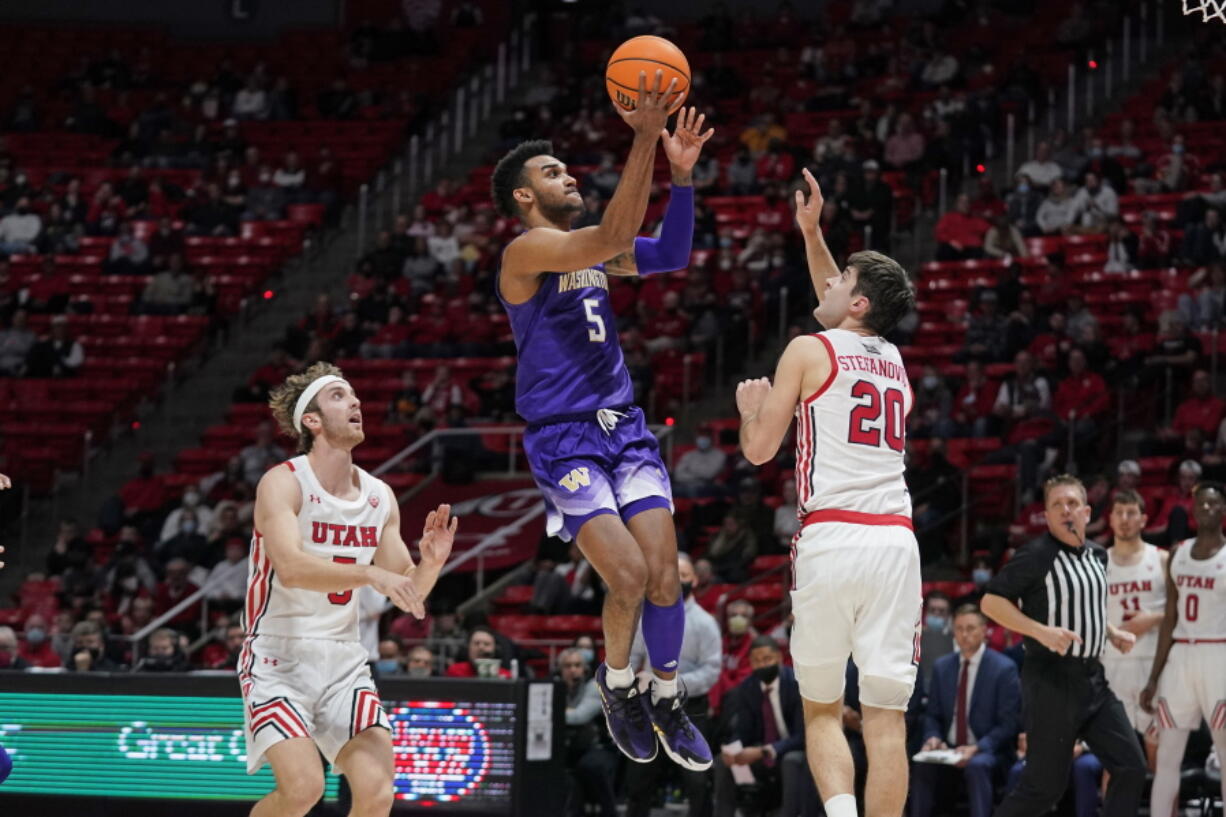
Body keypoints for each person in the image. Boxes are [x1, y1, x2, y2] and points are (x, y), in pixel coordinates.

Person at [490, 77, 715, 771]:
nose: (568, 175)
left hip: (626, 427)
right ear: (525, 197)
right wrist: (645, 134)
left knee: (664, 578)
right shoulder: (526, 252)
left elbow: (669, 254)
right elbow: (617, 232)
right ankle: (618, 686)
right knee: (623, 578)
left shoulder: (594, 253)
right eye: (551, 171)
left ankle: (668, 695)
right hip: (564, 437)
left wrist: (681, 181)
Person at [735, 167, 918, 817]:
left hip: (832, 536)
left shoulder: (806, 350)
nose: (831, 281)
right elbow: (844, 304)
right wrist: (812, 233)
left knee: (818, 707)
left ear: (859, 302)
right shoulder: (893, 359)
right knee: (886, 718)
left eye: (843, 280)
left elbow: (759, 451)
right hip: (895, 543)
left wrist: (747, 412)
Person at [240, 362, 457, 817]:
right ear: (311, 420)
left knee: (378, 793)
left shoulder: (379, 496)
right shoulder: (283, 481)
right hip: (278, 657)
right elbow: (293, 569)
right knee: (303, 790)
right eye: (339, 396)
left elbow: (408, 591)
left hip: (343, 658)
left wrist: (431, 563)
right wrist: (369, 574)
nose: (355, 402)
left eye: (355, 395)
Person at [980, 474, 1147, 817]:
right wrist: (1039, 631)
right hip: (1050, 682)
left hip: (1093, 681)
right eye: (1057, 505)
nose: (1065, 510)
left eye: (1072, 503)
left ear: (1086, 512)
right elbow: (991, 603)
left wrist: (1111, 632)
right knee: (1043, 789)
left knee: (1131, 766)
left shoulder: (1099, 555)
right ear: (1047, 514)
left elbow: (1087, 603)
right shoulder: (1036, 555)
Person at [1140, 481, 1226, 817]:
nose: (1207, 509)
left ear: (1223, 510)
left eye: (1214, 504)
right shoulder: (1177, 553)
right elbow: (1169, 620)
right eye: (1201, 503)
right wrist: (1153, 678)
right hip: (1179, 658)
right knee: (1167, 757)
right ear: (1192, 508)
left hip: (1218, 656)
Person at [624, 552, 722, 817]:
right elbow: (631, 657)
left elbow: (711, 671)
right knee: (639, 777)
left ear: (696, 580)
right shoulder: (645, 616)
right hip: (648, 703)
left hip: (689, 706)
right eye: (673, 574)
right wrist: (636, 680)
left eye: (684, 575)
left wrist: (671, 683)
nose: (678, 580)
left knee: (696, 780)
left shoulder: (705, 623)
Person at [911, 605, 1021, 817]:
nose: (964, 634)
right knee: (922, 764)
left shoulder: (1003, 668)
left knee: (976, 766)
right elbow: (933, 715)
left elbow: (1008, 724)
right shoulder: (942, 667)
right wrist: (933, 737)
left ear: (983, 630)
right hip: (949, 749)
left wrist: (977, 747)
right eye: (959, 628)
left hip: (989, 751)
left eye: (970, 628)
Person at [714, 636, 816, 817]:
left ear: (778, 657)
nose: (762, 665)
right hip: (761, 752)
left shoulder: (796, 684)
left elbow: (802, 737)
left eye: (767, 659)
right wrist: (733, 748)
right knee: (723, 763)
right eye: (756, 661)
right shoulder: (748, 687)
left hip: (794, 751)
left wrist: (764, 751)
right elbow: (742, 731)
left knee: (791, 761)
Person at [1103, 489, 1166, 768]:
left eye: (1131, 513)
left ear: (1144, 519)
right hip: (1111, 666)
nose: (1125, 519)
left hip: (1154, 667)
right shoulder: (1097, 563)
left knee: (1160, 761)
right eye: (1119, 512)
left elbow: (1186, 612)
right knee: (1114, 764)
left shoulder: (1162, 559)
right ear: (1111, 519)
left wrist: (1153, 618)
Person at [558, 647, 618, 817]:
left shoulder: (594, 687)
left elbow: (579, 717)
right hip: (572, 749)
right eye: (567, 666)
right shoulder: (557, 687)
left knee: (590, 766)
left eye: (577, 665)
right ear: (560, 670)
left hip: (601, 746)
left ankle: (609, 811)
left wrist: (555, 712)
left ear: (584, 669)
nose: (573, 670)